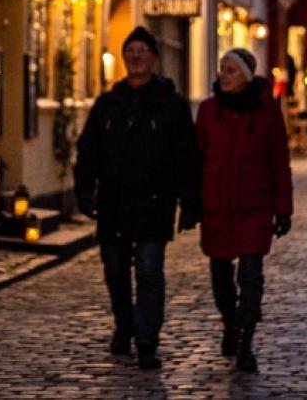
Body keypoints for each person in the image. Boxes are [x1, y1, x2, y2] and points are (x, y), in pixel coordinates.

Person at [73, 26, 201, 370]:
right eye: (131, 51)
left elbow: (186, 156)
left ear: (154, 58)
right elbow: (88, 151)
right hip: (114, 203)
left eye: (143, 51)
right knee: (115, 271)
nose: (136, 56)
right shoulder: (108, 104)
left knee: (148, 271)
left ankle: (146, 340)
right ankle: (124, 324)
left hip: (154, 203)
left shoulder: (170, 105)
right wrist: (84, 189)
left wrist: (190, 203)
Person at [196, 48, 293, 373]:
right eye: (222, 68)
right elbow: (197, 159)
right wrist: (193, 202)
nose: (223, 75)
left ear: (246, 76)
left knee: (251, 276)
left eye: (231, 70)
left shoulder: (266, 111)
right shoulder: (209, 111)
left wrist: (283, 209)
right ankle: (230, 323)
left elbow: (279, 161)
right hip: (217, 205)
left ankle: (247, 342)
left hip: (254, 205)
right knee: (221, 276)